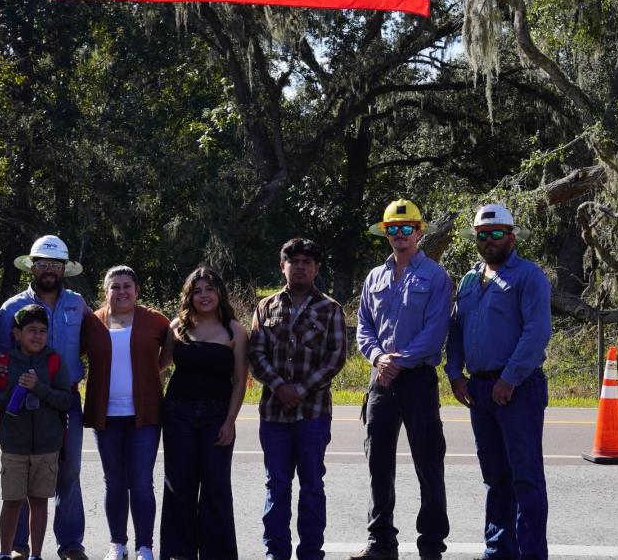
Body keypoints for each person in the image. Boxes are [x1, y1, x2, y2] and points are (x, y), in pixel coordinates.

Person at [446, 204, 553, 560]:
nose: (489, 241)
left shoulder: (528, 276)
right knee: (495, 476)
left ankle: (531, 554)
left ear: (511, 236)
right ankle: (498, 550)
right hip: (478, 390)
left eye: (496, 234)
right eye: (482, 235)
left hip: (518, 389)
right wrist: (454, 374)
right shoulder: (470, 279)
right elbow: (457, 329)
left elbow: (537, 332)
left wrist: (509, 378)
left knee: (525, 477)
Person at [351, 199, 452, 560]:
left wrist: (400, 361)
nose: (399, 235)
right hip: (381, 381)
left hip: (417, 381)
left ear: (419, 232)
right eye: (392, 229)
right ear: (385, 233)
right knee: (378, 463)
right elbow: (364, 326)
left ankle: (431, 546)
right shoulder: (374, 278)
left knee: (428, 463)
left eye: (406, 229)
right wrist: (379, 358)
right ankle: (381, 543)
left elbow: (436, 328)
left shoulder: (436, 277)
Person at [0, 235, 93, 560]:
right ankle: (19, 547)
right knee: (22, 478)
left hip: (65, 399)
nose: (49, 269)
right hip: (20, 401)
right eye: (43, 263)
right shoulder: (12, 308)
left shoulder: (78, 304)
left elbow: (95, 343)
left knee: (69, 473)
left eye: (55, 264)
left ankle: (71, 544)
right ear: (32, 267)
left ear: (64, 269)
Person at [248, 239, 347, 560]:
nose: (300, 266)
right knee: (276, 486)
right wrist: (279, 386)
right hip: (273, 414)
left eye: (307, 261)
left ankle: (310, 553)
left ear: (317, 268)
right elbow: (255, 353)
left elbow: (336, 358)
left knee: (312, 487)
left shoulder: (331, 308)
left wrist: (301, 390)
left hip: (314, 414)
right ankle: (275, 553)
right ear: (283, 266)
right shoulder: (265, 307)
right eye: (294, 261)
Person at [83, 266, 172, 560]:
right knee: (114, 481)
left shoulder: (156, 321)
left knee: (142, 482)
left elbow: (169, 352)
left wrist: (148, 373)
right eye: (115, 287)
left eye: (127, 286)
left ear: (137, 290)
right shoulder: (93, 322)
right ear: (105, 291)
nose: (121, 292)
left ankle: (144, 546)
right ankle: (117, 543)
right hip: (106, 416)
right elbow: (76, 352)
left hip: (144, 416)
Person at [161, 267, 248, 560]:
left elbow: (239, 380)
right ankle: (178, 553)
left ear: (219, 293)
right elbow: (157, 368)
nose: (204, 296)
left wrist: (230, 421)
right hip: (177, 414)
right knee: (179, 485)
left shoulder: (234, 330)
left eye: (209, 289)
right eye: (197, 291)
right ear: (189, 296)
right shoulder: (177, 326)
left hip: (217, 417)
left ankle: (217, 554)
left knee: (215, 487)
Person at [0, 305, 75, 560]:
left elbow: (65, 400)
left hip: (47, 446)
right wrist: (10, 392)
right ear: (16, 333)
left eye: (42, 331)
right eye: (31, 331)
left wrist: (39, 388)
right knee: (12, 501)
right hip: (13, 446)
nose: (37, 336)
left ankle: (36, 554)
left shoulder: (54, 361)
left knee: (39, 501)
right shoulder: (3, 362)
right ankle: (5, 553)